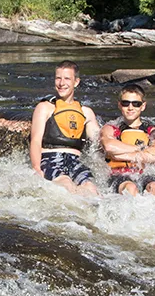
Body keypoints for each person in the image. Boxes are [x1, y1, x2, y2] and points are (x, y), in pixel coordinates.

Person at [29, 60, 101, 196]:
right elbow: (36, 140)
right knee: (66, 184)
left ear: (76, 82)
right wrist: (36, 168)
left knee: (90, 188)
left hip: (75, 161)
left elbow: (98, 144)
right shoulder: (44, 108)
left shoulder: (86, 112)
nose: (62, 83)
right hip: (50, 159)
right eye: (58, 78)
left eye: (67, 78)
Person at [100, 83, 155, 201]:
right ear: (120, 105)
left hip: (145, 173)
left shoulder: (151, 130)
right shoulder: (112, 127)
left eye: (136, 104)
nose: (130, 108)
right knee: (130, 188)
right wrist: (142, 149)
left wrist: (122, 154)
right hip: (119, 174)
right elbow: (109, 146)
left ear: (143, 106)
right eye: (126, 103)